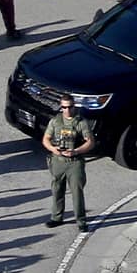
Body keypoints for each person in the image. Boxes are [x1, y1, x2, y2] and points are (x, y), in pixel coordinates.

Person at [43, 96, 94, 231]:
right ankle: (56, 217)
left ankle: (81, 220)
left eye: (70, 106)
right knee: (57, 189)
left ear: (74, 106)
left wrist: (76, 151)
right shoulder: (56, 121)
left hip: (74, 162)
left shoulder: (81, 122)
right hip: (58, 161)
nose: (67, 110)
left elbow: (90, 142)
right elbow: (46, 139)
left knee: (77, 192)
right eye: (64, 107)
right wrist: (54, 149)